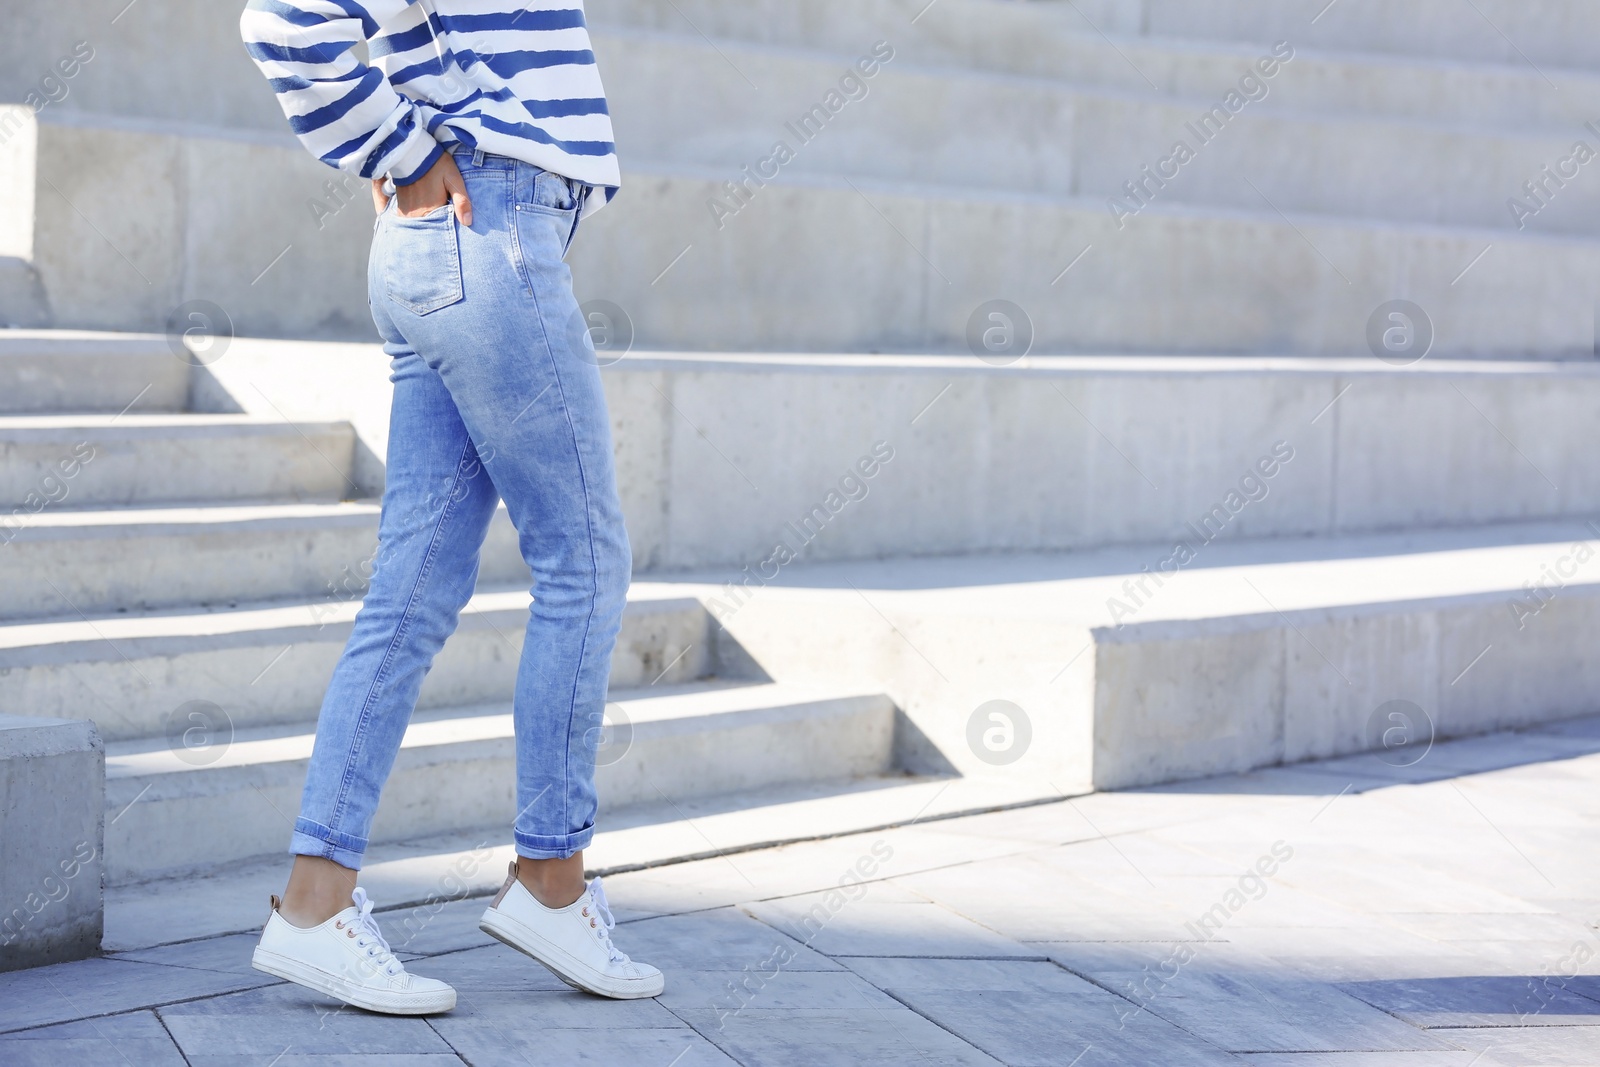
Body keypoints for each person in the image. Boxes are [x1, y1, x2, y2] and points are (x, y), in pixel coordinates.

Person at [238, 0, 660, 1013]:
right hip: (487, 231)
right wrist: (402, 144)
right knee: (585, 560)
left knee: (411, 593)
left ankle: (314, 902)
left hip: (454, 240)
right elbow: (287, 23)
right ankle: (551, 880)